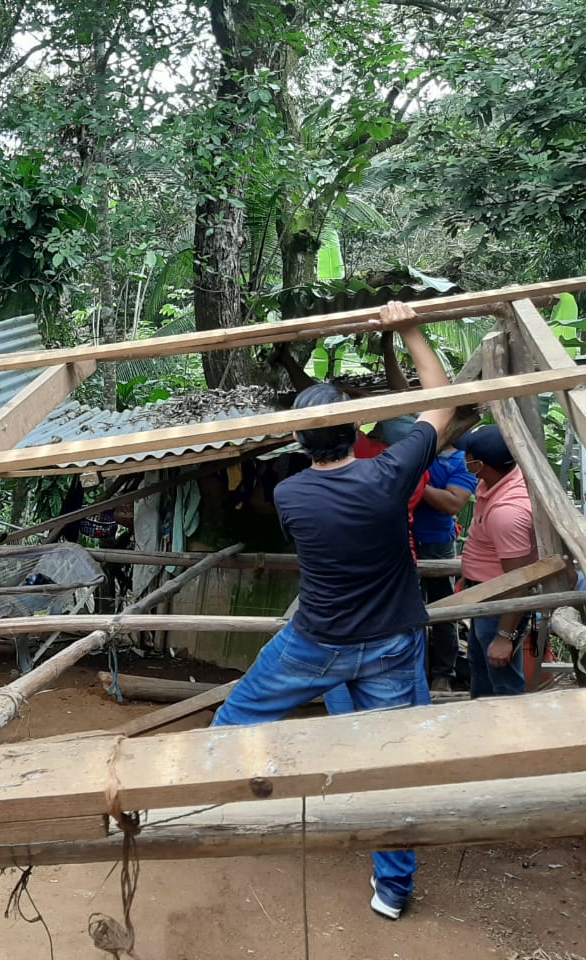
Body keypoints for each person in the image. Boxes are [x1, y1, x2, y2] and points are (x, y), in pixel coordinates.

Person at [212, 301, 455, 922]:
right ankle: (394, 890)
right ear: (356, 432)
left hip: (315, 643)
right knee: (390, 762)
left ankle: (198, 806)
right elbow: (442, 398)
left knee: (234, 717)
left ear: (298, 441)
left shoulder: (291, 494)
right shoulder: (390, 476)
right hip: (395, 641)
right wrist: (406, 330)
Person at [455, 425, 537, 697]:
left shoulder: (507, 513)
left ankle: (514, 737)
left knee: (503, 685)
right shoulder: (496, 481)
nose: (463, 458)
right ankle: (488, 732)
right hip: (487, 595)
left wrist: (505, 636)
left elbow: (519, 580)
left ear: (479, 464)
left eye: (468, 456)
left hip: (499, 605)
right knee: (482, 673)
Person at [414, 440, 479, 690]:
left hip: (437, 542)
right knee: (411, 608)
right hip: (404, 539)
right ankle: (416, 673)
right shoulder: (414, 448)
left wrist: (417, 482)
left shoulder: (462, 460)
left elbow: (453, 503)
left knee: (444, 609)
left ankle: (444, 674)